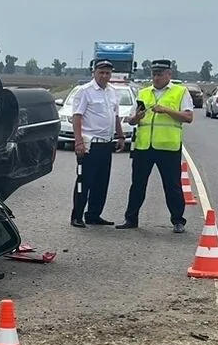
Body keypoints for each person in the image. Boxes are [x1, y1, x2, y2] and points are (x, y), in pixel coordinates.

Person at [119, 59, 195, 232]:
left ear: (169, 75)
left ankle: (178, 221)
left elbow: (189, 117)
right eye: (154, 74)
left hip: (168, 147)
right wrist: (136, 118)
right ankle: (131, 219)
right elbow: (131, 120)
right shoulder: (143, 93)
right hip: (144, 147)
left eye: (160, 74)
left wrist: (166, 110)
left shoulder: (180, 92)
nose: (156, 78)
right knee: (137, 185)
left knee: (172, 185)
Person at [68, 59, 126, 227]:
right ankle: (77, 215)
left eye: (108, 73)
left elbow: (115, 116)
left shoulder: (112, 92)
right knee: (84, 181)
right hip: (89, 144)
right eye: (101, 72)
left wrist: (120, 136)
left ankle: (93, 214)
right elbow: (77, 116)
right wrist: (78, 141)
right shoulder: (84, 91)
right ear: (94, 72)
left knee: (101, 182)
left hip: (106, 143)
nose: (104, 75)